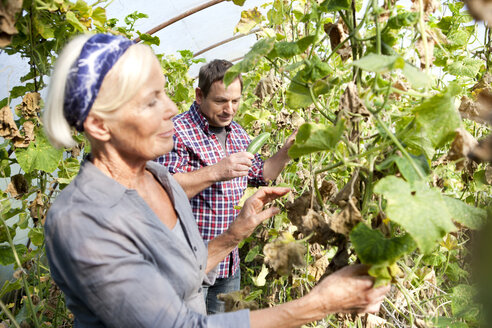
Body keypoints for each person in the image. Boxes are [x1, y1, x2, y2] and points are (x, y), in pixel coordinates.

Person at [43, 33, 390, 328]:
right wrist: (321, 302)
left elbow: (185, 275)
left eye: (163, 92)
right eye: (151, 100)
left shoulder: (157, 177)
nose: (169, 108)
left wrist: (235, 234)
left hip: (228, 264)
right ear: (100, 125)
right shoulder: (82, 220)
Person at [156, 59, 295, 313]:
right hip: (189, 262)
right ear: (199, 95)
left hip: (228, 262)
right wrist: (217, 171)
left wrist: (286, 152)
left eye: (235, 101)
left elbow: (261, 174)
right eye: (220, 101)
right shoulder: (177, 131)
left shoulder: (238, 133)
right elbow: (164, 190)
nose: (229, 109)